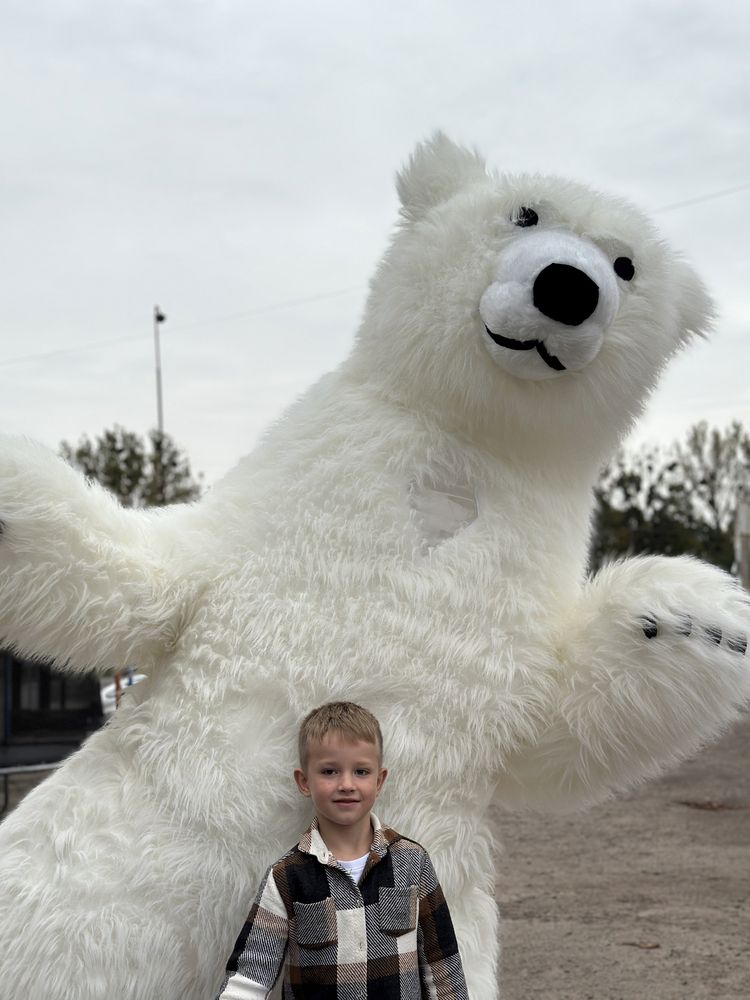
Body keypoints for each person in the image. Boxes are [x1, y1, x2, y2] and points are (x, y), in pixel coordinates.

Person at [215, 701, 469, 999]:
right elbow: (249, 977)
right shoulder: (287, 878)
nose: (346, 784)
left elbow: (443, 967)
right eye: (330, 771)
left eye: (361, 771)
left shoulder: (412, 862)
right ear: (304, 781)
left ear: (379, 781)